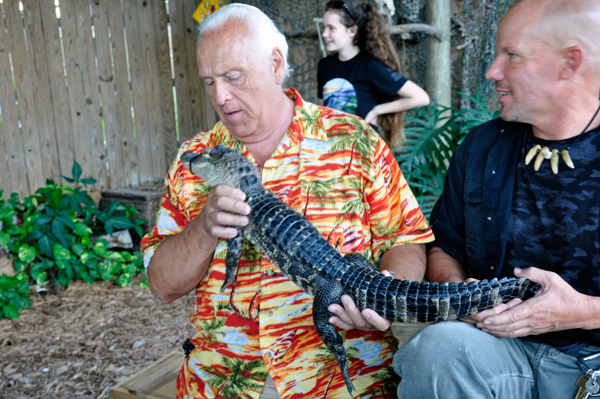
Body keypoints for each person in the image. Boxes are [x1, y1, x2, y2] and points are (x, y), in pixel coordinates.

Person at [140, 4, 433, 399]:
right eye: (209, 82)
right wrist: (204, 228)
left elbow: (404, 237)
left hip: (341, 379)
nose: (221, 96)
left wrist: (382, 296)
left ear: (276, 64)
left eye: (233, 77)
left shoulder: (353, 140)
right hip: (222, 381)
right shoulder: (196, 158)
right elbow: (162, 285)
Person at [393, 0, 600, 398]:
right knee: (439, 350)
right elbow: (444, 246)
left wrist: (580, 311)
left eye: (513, 56)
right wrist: (461, 296)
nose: (493, 71)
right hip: (504, 350)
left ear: (569, 63)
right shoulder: (485, 145)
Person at [317, 0, 430, 149]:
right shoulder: (325, 65)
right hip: (330, 148)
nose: (325, 34)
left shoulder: (371, 67)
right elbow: (321, 105)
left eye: (331, 28)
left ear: (352, 31)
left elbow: (421, 97)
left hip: (362, 149)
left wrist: (377, 110)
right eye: (324, 27)